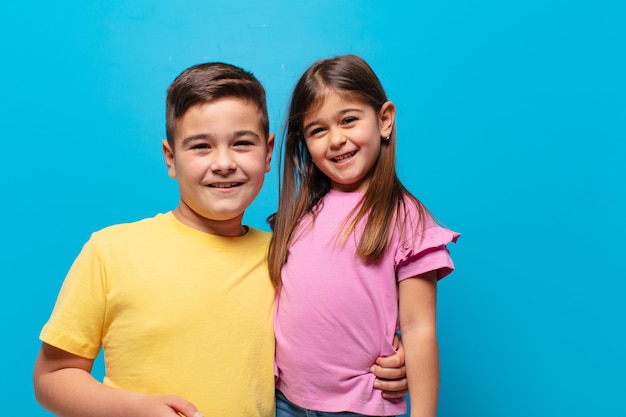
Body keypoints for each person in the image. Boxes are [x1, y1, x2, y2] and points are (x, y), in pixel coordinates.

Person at [33, 61, 408, 417]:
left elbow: (334, 328)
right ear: (170, 157)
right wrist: (133, 410)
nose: (224, 162)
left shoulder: (288, 254)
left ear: (268, 152)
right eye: (200, 146)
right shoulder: (111, 251)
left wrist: (394, 361)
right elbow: (51, 378)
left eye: (243, 143)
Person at [268, 54, 460, 417]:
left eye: (349, 120)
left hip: (360, 408)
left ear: (384, 120)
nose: (336, 139)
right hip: (285, 402)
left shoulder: (405, 219)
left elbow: (418, 328)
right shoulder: (300, 217)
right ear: (303, 143)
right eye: (318, 130)